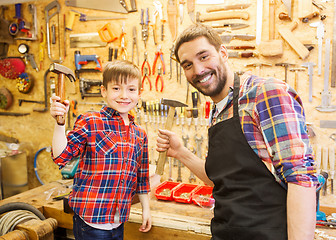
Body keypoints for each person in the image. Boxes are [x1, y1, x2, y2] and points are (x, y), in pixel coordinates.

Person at [156, 24, 319, 240]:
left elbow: (301, 178)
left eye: (203, 57)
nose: (198, 70)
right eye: (188, 65)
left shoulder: (265, 94)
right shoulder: (219, 111)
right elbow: (224, 182)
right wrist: (180, 152)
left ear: (223, 53)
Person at [51, 60, 151, 240]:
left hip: (119, 221)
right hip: (91, 222)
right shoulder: (90, 122)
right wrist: (60, 124)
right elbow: (61, 157)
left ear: (139, 93)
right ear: (104, 90)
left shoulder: (140, 134)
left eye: (131, 89)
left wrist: (146, 210)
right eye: (116, 88)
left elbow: (142, 178)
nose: (123, 95)